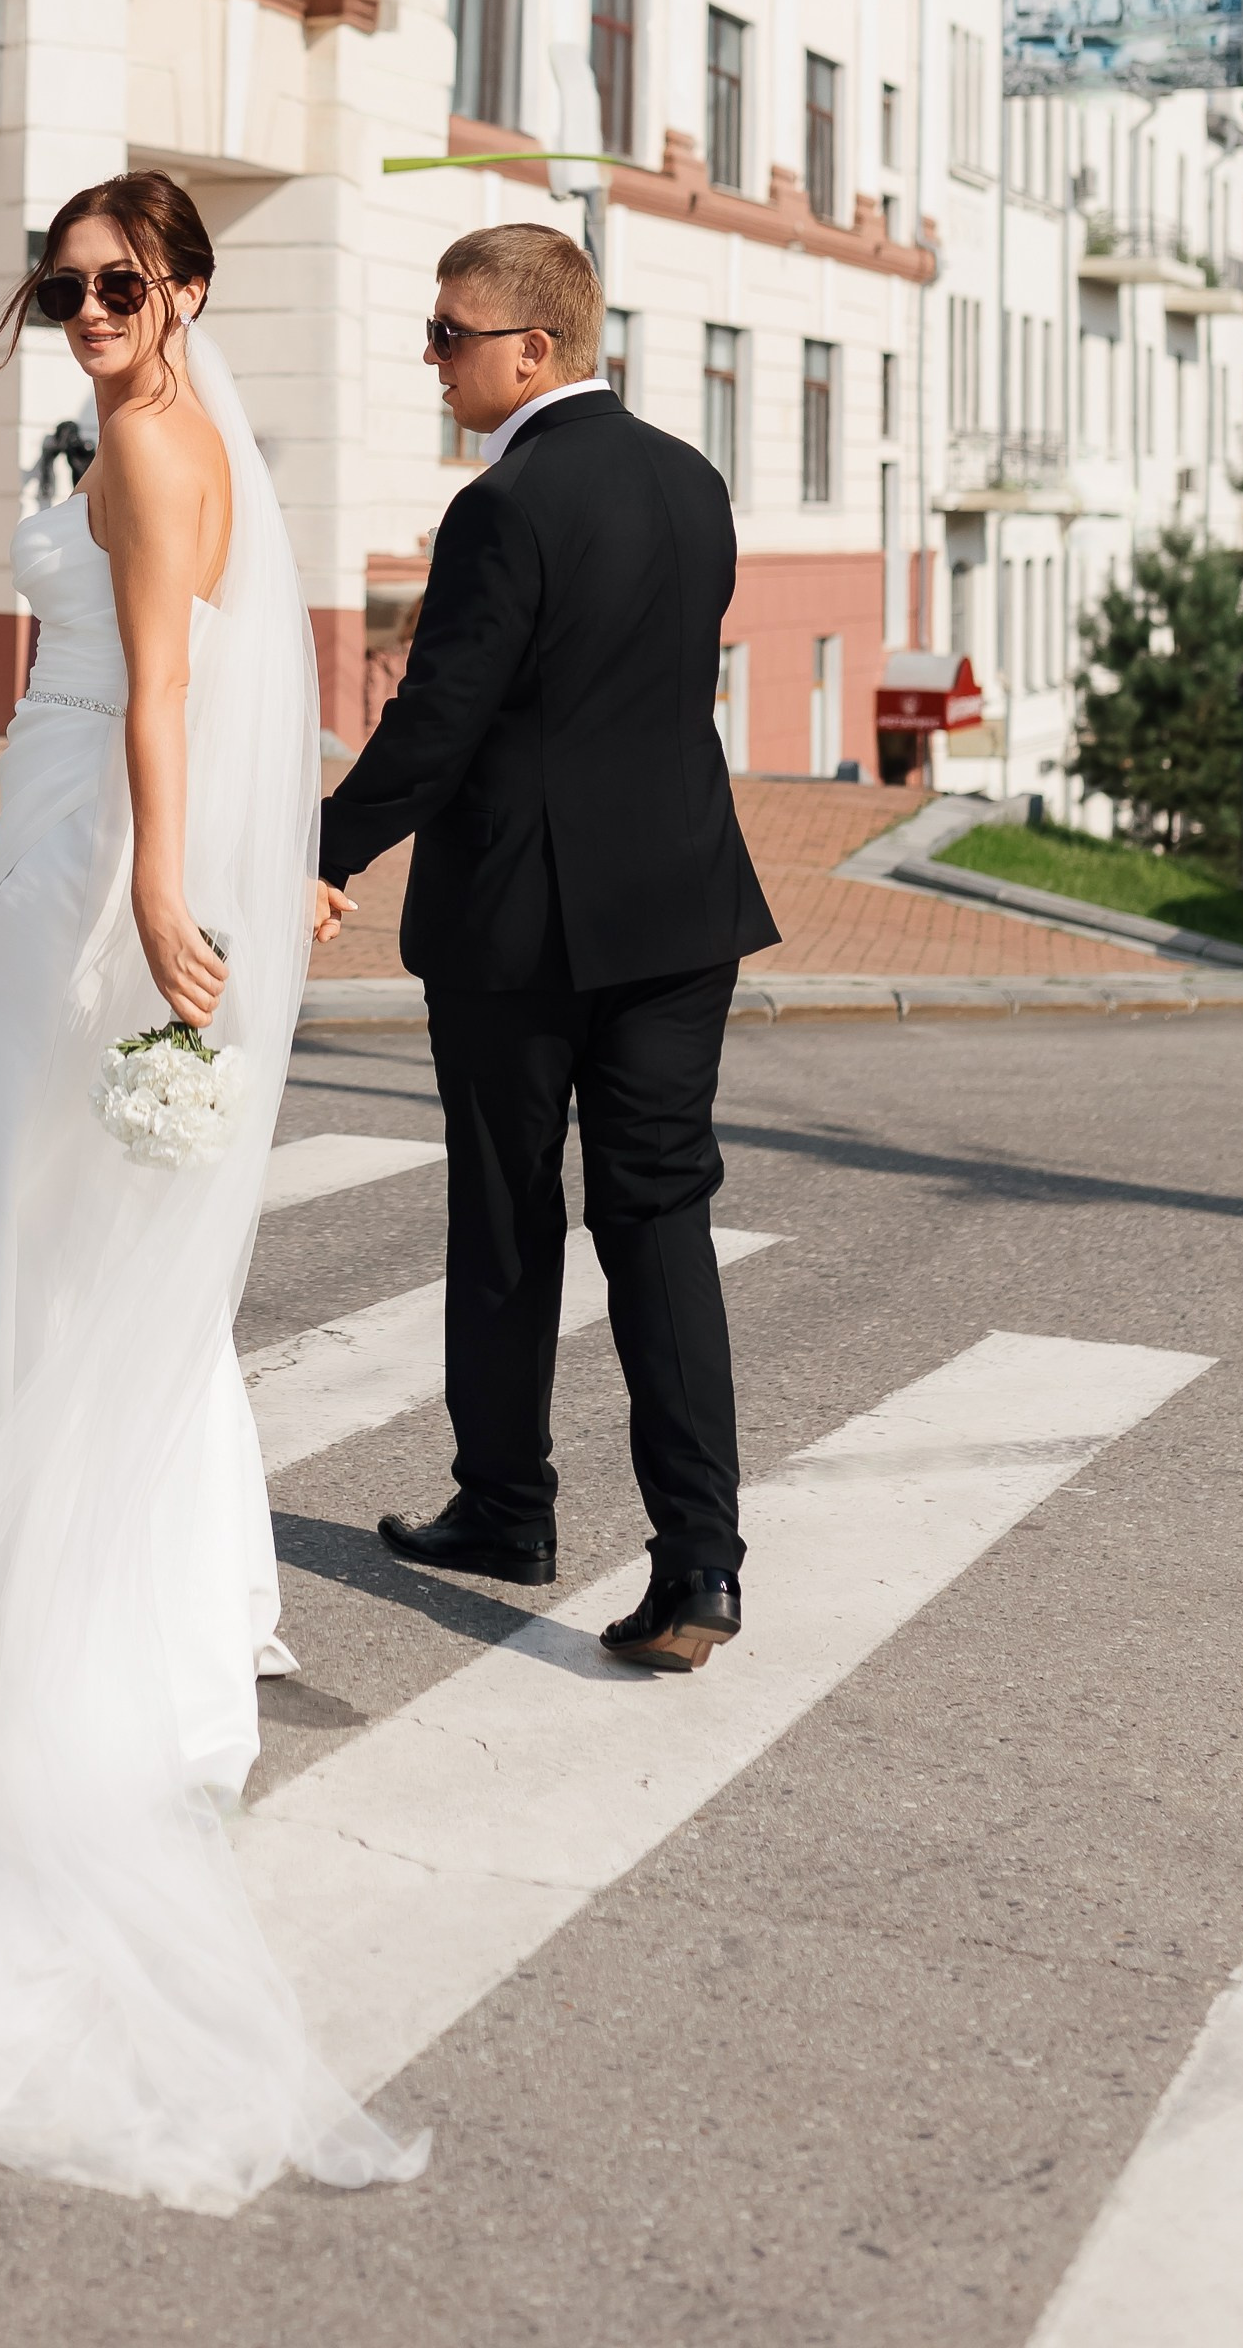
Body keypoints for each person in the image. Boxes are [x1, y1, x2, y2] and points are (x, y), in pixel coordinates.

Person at [0, 173, 424, 2212]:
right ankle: (152, 1628)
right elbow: (238, 678)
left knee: (8, 1242)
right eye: (59, 289)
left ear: (186, 289)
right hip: (79, 832)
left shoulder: (149, 444)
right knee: (60, 1241)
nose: (84, 315)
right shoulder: (187, 430)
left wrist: (155, 888)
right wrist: (242, 862)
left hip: (82, 864)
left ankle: (21, 1628)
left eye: (116, 286)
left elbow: (159, 688)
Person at [316, 222, 778, 1671]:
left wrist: (320, 851)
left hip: (521, 927)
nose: (433, 359)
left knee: (510, 1216)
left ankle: (508, 1511)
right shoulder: (693, 481)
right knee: (660, 1219)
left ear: (532, 349)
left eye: (448, 334)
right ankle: (700, 1564)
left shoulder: (503, 504)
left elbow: (439, 721)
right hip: (683, 912)